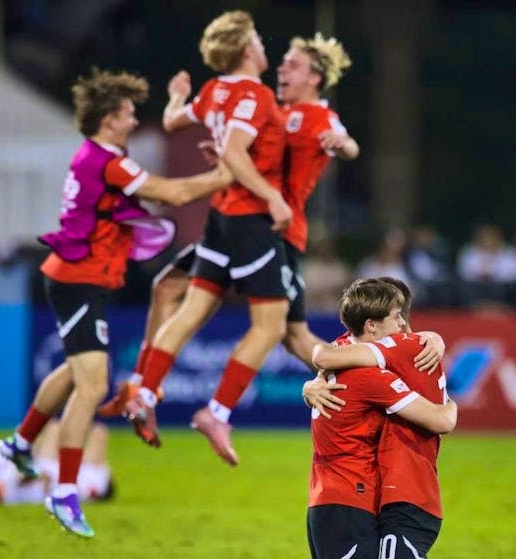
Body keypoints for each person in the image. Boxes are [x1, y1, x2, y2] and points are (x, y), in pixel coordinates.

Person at [0, 67, 232, 538]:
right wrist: (229, 172)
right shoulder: (108, 161)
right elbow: (174, 193)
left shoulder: (98, 156)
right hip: (78, 281)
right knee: (93, 384)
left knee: (73, 372)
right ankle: (63, 493)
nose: (133, 118)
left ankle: (20, 442)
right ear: (107, 119)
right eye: (126, 112)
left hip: (79, 279)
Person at [119, 10, 293, 465]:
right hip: (249, 218)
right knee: (270, 325)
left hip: (219, 217)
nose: (262, 44)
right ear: (245, 50)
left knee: (191, 310)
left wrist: (176, 97)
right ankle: (217, 411)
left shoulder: (215, 90)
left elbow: (176, 120)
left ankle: (146, 394)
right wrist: (272, 196)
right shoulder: (253, 93)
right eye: (255, 38)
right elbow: (235, 152)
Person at [306, 279, 456, 559]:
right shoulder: (371, 375)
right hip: (353, 497)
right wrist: (451, 406)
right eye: (396, 316)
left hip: (326, 497)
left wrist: (309, 384)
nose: (403, 325)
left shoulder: (342, 352)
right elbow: (442, 421)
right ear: (372, 325)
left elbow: (322, 354)